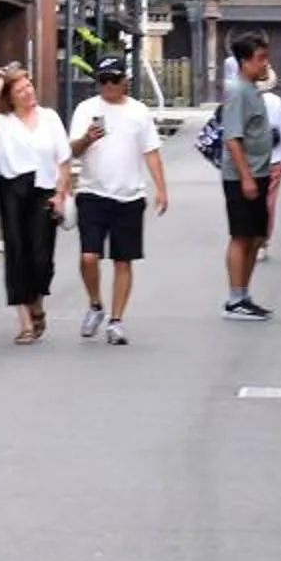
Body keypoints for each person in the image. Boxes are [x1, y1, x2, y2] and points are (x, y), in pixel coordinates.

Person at [60, 51, 166, 345]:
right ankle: (95, 305)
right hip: (92, 192)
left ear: (125, 81)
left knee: (123, 260)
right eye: (103, 80)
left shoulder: (139, 112)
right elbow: (71, 150)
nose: (108, 85)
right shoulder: (86, 109)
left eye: (114, 80)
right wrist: (87, 139)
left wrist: (161, 188)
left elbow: (151, 151)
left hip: (129, 195)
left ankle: (116, 321)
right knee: (89, 256)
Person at [0, 64, 71, 345]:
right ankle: (25, 323)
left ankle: (37, 303)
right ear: (10, 97)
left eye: (28, 86)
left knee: (42, 256)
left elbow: (63, 159)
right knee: (17, 251)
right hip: (13, 188)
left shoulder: (50, 118)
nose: (28, 92)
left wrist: (60, 194)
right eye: (19, 90)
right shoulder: (4, 122)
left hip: (44, 188)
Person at [217, 31, 277, 319]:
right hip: (243, 175)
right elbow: (232, 138)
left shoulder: (252, 89)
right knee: (241, 235)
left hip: (259, 171)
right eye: (260, 58)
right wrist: (246, 177)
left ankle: (243, 294)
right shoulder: (238, 92)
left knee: (255, 236)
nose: (265, 64)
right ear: (244, 61)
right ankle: (235, 298)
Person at [257, 75, 281, 260]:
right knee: (269, 202)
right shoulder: (276, 101)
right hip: (274, 157)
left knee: (252, 201)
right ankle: (263, 242)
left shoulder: (244, 99)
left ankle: (251, 238)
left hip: (249, 160)